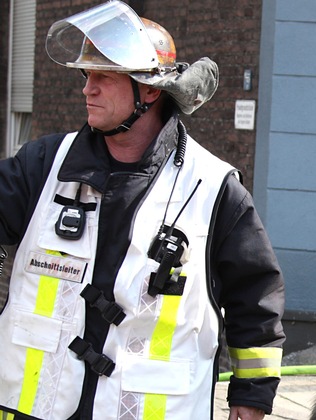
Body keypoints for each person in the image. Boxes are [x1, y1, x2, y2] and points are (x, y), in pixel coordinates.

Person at [0, 2, 285, 419]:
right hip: (39, 406)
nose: (87, 88)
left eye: (103, 77)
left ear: (150, 90)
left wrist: (251, 398)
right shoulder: (43, 164)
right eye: (86, 75)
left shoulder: (213, 188)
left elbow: (255, 299)